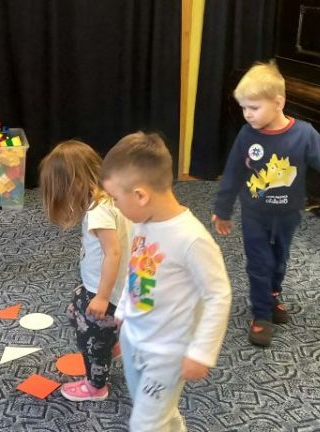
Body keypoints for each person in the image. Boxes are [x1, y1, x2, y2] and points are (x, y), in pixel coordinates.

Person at [212, 61, 320, 347]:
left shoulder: (304, 135)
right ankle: (261, 314)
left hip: (288, 214)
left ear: (278, 102)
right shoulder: (247, 135)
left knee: (279, 260)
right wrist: (223, 209)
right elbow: (232, 172)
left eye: (254, 107)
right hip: (255, 214)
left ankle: (272, 295)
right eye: (243, 108)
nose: (247, 114)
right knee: (260, 262)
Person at [101, 132, 232, 431]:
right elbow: (136, 268)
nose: (115, 206)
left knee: (144, 424)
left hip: (166, 352)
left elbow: (218, 295)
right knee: (155, 411)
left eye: (115, 199)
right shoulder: (142, 222)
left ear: (140, 195)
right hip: (134, 338)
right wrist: (124, 308)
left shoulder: (192, 239)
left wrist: (202, 352)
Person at [39, 140, 132, 402]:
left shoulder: (99, 211)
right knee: (75, 309)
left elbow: (113, 254)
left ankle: (96, 386)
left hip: (106, 289)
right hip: (110, 284)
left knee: (91, 337)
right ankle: (112, 340)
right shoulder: (111, 196)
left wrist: (102, 297)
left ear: (76, 183)